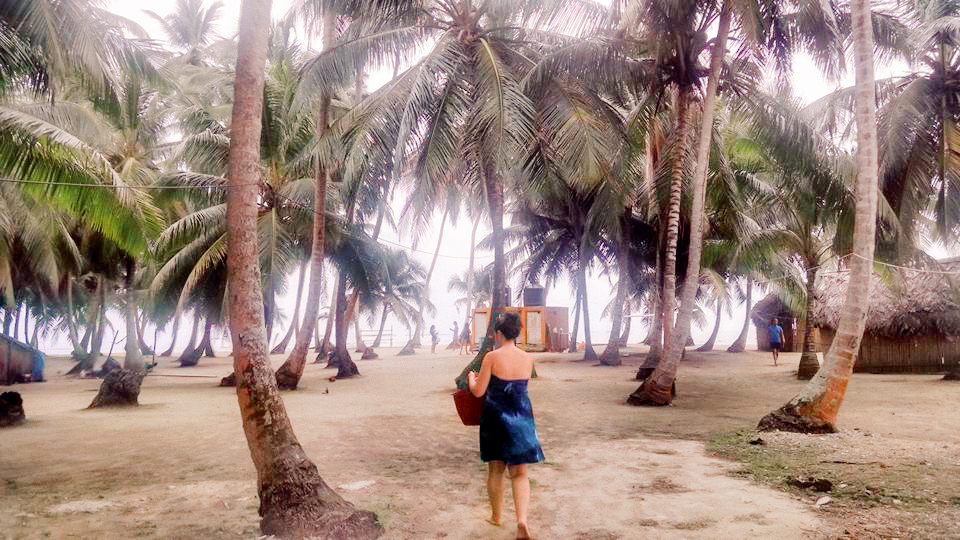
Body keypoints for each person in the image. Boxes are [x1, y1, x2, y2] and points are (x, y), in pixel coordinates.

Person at [467, 313, 543, 539]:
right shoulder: (527, 358)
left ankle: (497, 516)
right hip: (522, 419)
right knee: (520, 474)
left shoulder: (492, 357)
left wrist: (472, 379)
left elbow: (479, 391)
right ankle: (522, 521)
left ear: (499, 334)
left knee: (496, 470)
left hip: (496, 420)